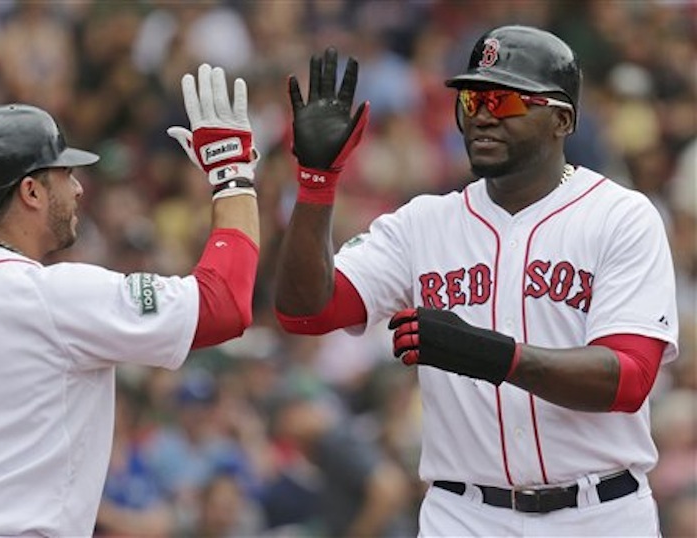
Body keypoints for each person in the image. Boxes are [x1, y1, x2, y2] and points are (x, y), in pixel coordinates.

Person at [274, 26, 679, 537]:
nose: (482, 114)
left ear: (561, 119)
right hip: (464, 515)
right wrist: (316, 181)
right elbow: (306, 312)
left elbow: (628, 377)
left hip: (599, 511)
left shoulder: (620, 216)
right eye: (470, 98)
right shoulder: (423, 223)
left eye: (503, 100)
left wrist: (488, 354)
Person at [0, 63, 259, 536]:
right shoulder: (54, 295)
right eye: (65, 174)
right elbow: (224, 304)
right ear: (30, 190)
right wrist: (233, 176)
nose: (79, 187)